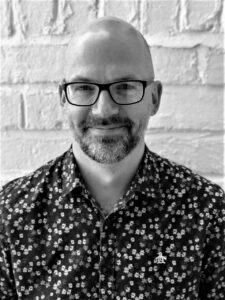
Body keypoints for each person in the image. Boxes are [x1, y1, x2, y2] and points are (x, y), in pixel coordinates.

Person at [0, 16, 224, 300]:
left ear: (154, 98)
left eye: (125, 86)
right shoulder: (11, 215)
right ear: (63, 98)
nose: (103, 110)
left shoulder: (207, 213)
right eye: (83, 88)